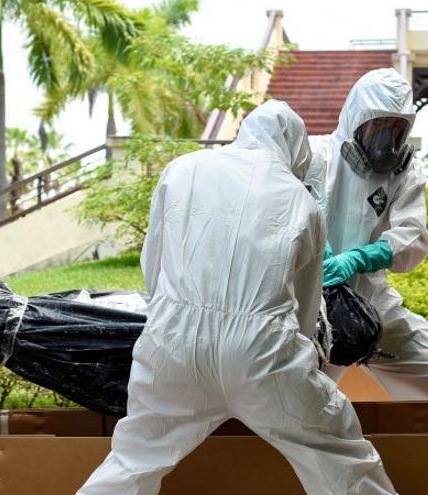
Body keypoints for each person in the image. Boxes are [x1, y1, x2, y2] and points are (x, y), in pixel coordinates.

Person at [78, 100, 397, 495]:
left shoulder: (183, 170)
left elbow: (154, 265)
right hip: (262, 356)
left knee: (134, 460)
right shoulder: (301, 201)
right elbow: (305, 311)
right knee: (339, 455)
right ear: (295, 150)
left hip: (173, 345)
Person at [306, 68, 428, 401]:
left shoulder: (405, 171)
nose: (388, 138)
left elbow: (413, 235)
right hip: (310, 304)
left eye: (398, 128)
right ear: (357, 119)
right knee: (303, 402)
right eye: (379, 124)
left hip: (371, 300)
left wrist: (363, 257)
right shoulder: (314, 155)